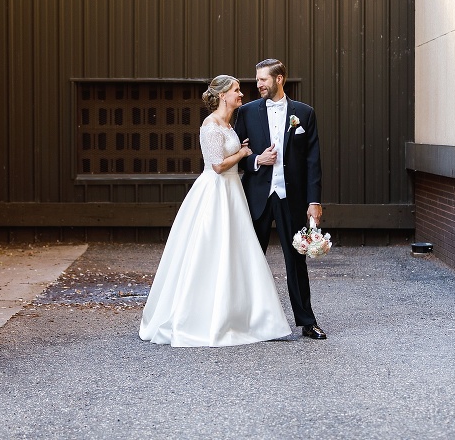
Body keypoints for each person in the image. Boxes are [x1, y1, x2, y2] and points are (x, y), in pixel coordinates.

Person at [139, 75, 292, 347]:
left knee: (236, 251)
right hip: (216, 191)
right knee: (211, 249)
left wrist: (242, 150)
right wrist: (243, 154)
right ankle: (202, 316)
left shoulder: (229, 124)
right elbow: (217, 166)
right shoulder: (210, 125)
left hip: (232, 191)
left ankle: (242, 315)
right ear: (222, 95)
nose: (241, 94)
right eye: (236, 90)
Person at [234, 59, 327, 340]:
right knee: (251, 260)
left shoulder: (304, 113)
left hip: (291, 198)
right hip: (257, 197)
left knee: (296, 261)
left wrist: (314, 200)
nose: (258, 84)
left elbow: (313, 161)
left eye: (263, 79)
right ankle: (246, 322)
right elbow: (235, 155)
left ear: (279, 79)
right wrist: (256, 160)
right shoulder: (246, 112)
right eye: (257, 79)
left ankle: (307, 322)